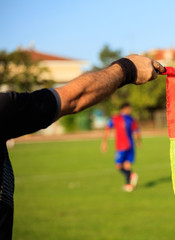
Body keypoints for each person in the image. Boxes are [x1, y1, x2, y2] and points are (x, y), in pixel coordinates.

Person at [0, 55, 165, 239]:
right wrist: (127, 69)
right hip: (120, 145)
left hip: (128, 145)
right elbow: (74, 98)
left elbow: (134, 130)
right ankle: (130, 178)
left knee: (122, 166)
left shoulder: (130, 119)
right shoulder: (4, 108)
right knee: (120, 166)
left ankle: (129, 179)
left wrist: (138, 140)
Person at [101, 103, 140, 192]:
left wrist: (104, 142)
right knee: (127, 165)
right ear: (124, 108)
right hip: (131, 145)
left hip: (121, 146)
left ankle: (131, 175)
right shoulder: (130, 119)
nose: (130, 111)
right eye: (129, 109)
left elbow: (107, 129)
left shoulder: (115, 118)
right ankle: (128, 185)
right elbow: (136, 132)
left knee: (118, 166)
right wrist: (138, 142)